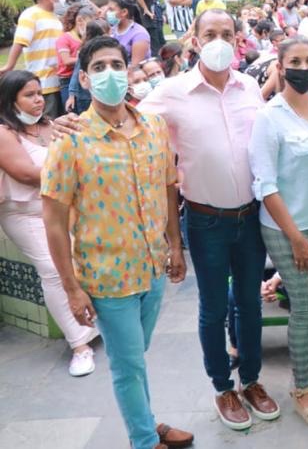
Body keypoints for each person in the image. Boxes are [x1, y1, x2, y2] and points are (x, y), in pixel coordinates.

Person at [41, 37, 193, 449]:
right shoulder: (70, 139)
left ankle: (147, 422)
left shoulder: (153, 127)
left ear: (128, 72)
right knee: (127, 364)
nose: (109, 73)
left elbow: (168, 187)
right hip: (107, 278)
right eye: (99, 67)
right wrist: (72, 288)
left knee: (135, 355)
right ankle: (144, 440)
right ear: (84, 79)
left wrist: (175, 246)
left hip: (152, 267)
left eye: (116, 65)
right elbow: (53, 221)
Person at [139, 9, 279, 430]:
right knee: (214, 307)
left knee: (250, 304)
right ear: (196, 40)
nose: (219, 40)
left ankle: (251, 379)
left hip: (250, 217)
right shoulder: (172, 92)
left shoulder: (248, 86)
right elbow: (130, 121)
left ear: (237, 39)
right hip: (205, 221)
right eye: (210, 33)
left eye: (227, 33)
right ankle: (223, 386)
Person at [247, 37, 308, 428]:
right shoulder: (270, 117)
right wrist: (295, 237)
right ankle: (302, 386)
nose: (304, 68)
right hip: (289, 227)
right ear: (281, 66)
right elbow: (266, 185)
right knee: (304, 307)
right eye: (296, 61)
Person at [0, 71, 99, 377]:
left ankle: (94, 324)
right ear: (10, 100)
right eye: (29, 95)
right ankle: (79, 345)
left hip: (61, 210)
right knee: (53, 269)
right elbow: (26, 174)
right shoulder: (4, 133)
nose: (38, 100)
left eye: (39, 93)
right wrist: (77, 170)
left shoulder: (49, 126)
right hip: (24, 213)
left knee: (80, 262)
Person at [1, 0, 64, 117]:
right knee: (48, 121)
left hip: (60, 80)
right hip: (43, 82)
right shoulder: (30, 15)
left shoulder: (56, 17)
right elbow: (20, 41)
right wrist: (10, 65)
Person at [108, 0, 152, 66]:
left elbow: (136, 66)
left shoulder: (139, 34)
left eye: (111, 10)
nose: (107, 13)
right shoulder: (112, 30)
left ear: (124, 12)